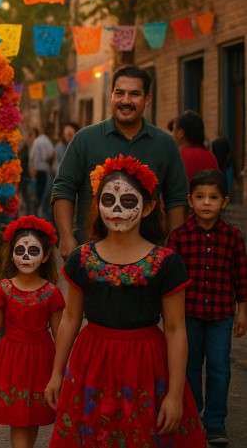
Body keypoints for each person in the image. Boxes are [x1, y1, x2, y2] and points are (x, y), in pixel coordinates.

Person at [44, 155, 206, 447]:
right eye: (108, 200)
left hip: (147, 366)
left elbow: (175, 329)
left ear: (149, 207)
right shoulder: (82, 258)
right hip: (92, 363)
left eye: (129, 202)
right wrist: (56, 374)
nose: (117, 209)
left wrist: (175, 393)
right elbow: (70, 318)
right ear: (97, 205)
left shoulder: (166, 263)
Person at [51, 66, 188, 260]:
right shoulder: (85, 139)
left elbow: (177, 198)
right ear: (111, 96)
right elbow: (63, 189)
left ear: (147, 99)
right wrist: (66, 238)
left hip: (148, 259)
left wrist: (174, 247)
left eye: (134, 94)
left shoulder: (165, 144)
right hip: (91, 254)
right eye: (119, 93)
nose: (126, 101)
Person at [0, 215, 64, 448]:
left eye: (33, 251)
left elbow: (60, 335)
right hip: (12, 361)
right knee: (18, 420)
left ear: (46, 255)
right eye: (20, 251)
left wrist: (66, 370)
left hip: (42, 361)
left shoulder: (52, 293)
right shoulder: (4, 289)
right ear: (12, 254)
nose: (25, 257)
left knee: (32, 419)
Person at [166, 169, 247, 445]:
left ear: (224, 202)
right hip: (187, 315)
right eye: (200, 197)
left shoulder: (233, 236)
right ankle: (190, 417)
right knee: (188, 367)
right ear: (190, 200)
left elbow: (240, 276)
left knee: (219, 368)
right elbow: (170, 280)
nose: (206, 203)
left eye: (213, 197)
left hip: (221, 315)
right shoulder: (178, 237)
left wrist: (243, 310)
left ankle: (214, 423)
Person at [172, 110, 219, 182]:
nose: (172, 135)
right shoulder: (210, 156)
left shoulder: (178, 156)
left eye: (174, 129)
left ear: (181, 133)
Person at [28, 127, 55, 219]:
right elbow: (48, 156)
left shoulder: (39, 142)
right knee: (42, 196)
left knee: (41, 196)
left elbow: (42, 157)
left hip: (41, 172)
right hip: (42, 172)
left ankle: (39, 217)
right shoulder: (45, 141)